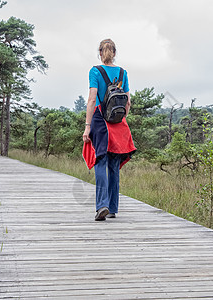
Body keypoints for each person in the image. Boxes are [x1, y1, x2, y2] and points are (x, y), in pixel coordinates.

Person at [82, 39, 136, 221]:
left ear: (100, 52)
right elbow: (127, 101)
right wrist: (121, 118)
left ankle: (101, 205)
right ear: (114, 52)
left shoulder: (95, 71)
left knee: (101, 161)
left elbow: (91, 100)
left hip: (99, 119)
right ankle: (112, 207)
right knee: (113, 165)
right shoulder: (122, 73)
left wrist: (87, 126)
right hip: (118, 122)